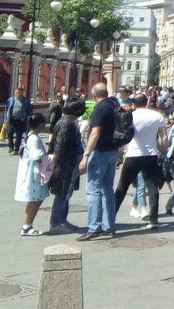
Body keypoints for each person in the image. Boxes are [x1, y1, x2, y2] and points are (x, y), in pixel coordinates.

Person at [114, 93, 167, 229]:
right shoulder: (156, 116)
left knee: (122, 186)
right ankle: (153, 219)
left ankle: (110, 216)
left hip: (133, 153)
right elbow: (164, 137)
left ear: (134, 103)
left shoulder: (130, 115)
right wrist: (163, 150)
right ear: (147, 102)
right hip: (151, 154)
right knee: (152, 185)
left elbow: (123, 135)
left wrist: (119, 154)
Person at [78, 83, 121, 241]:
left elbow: (95, 133)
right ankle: (109, 226)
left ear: (94, 95)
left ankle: (94, 227)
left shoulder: (100, 108)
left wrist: (86, 154)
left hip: (100, 151)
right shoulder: (114, 105)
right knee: (107, 189)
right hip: (113, 151)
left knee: (93, 190)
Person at [47, 98, 86, 234]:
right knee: (62, 192)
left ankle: (62, 219)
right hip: (65, 164)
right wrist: (57, 165)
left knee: (66, 192)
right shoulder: (66, 123)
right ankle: (55, 223)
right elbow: (60, 145)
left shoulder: (69, 121)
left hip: (69, 162)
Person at [15, 113, 50, 236]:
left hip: (31, 172)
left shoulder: (28, 136)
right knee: (35, 200)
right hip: (35, 173)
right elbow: (37, 156)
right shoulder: (34, 138)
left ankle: (27, 225)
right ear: (40, 124)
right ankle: (26, 225)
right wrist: (49, 161)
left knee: (36, 199)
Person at [4, 86, 32, 155]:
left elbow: (29, 110)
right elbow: (6, 109)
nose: (18, 94)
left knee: (18, 134)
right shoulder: (11, 100)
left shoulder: (26, 101)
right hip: (12, 119)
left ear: (22, 93)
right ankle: (11, 147)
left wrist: (29, 119)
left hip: (21, 120)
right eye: (16, 93)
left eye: (19, 93)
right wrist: (6, 119)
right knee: (10, 133)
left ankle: (16, 149)